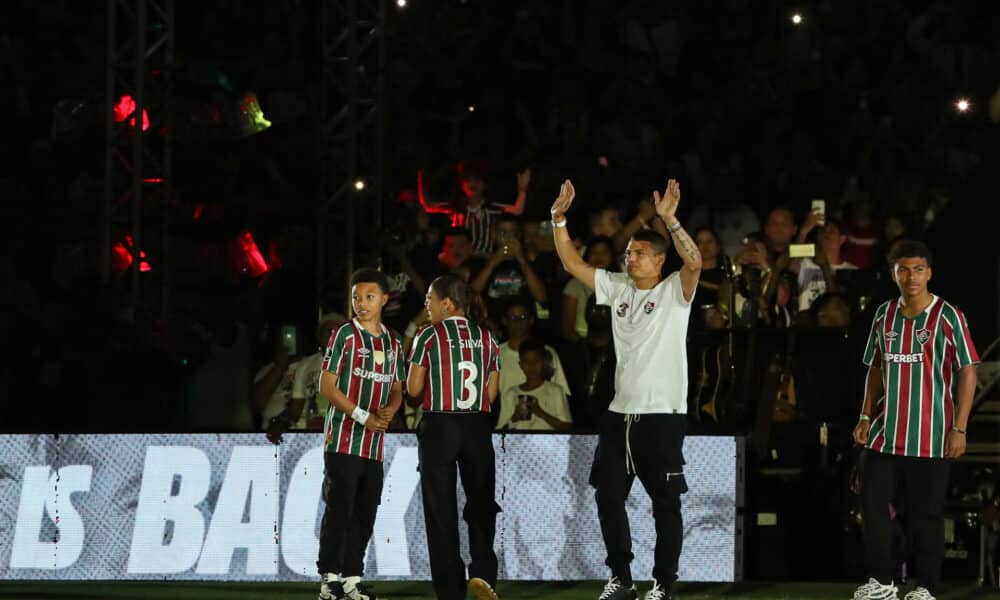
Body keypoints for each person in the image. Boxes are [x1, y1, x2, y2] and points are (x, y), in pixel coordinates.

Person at [550, 178, 702, 600]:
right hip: (619, 417)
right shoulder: (617, 287)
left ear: (658, 259)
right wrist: (558, 218)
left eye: (638, 253)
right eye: (628, 252)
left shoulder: (674, 291)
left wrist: (670, 221)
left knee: (665, 504)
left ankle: (663, 583)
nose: (629, 258)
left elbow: (695, 263)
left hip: (661, 416)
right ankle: (621, 578)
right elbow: (571, 265)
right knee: (607, 498)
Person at [852, 241, 978, 600]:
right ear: (894, 273)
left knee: (926, 515)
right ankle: (883, 581)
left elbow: (968, 369)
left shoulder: (948, 315)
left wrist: (960, 427)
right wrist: (864, 413)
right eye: (904, 269)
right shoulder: (884, 315)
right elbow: (875, 368)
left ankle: (925, 587)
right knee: (872, 507)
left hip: (932, 435)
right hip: (884, 434)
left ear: (929, 274)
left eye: (918, 269)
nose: (911, 277)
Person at [406, 274, 502, 600]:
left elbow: (414, 391)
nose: (426, 307)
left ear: (446, 303)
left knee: (440, 511)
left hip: (440, 427)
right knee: (481, 504)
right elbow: (491, 392)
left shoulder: (428, 335)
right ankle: (483, 575)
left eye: (429, 300)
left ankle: (450, 590)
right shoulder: (487, 337)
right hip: (476, 427)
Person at [311, 269, 404, 600]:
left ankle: (351, 577)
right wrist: (363, 415)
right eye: (356, 298)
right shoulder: (344, 336)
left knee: (365, 510)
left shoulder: (393, 342)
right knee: (340, 508)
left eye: (368, 297)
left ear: (384, 299)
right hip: (344, 438)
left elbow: (397, 386)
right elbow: (327, 385)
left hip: (374, 445)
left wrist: (391, 408)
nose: (361, 304)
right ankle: (328, 578)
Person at [496, 337, 572, 431]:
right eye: (527, 362)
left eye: (536, 361)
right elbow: (499, 433)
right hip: (519, 444)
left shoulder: (556, 391)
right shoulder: (511, 393)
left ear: (544, 363)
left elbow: (567, 428)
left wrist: (540, 412)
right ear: (521, 365)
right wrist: (514, 417)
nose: (532, 366)